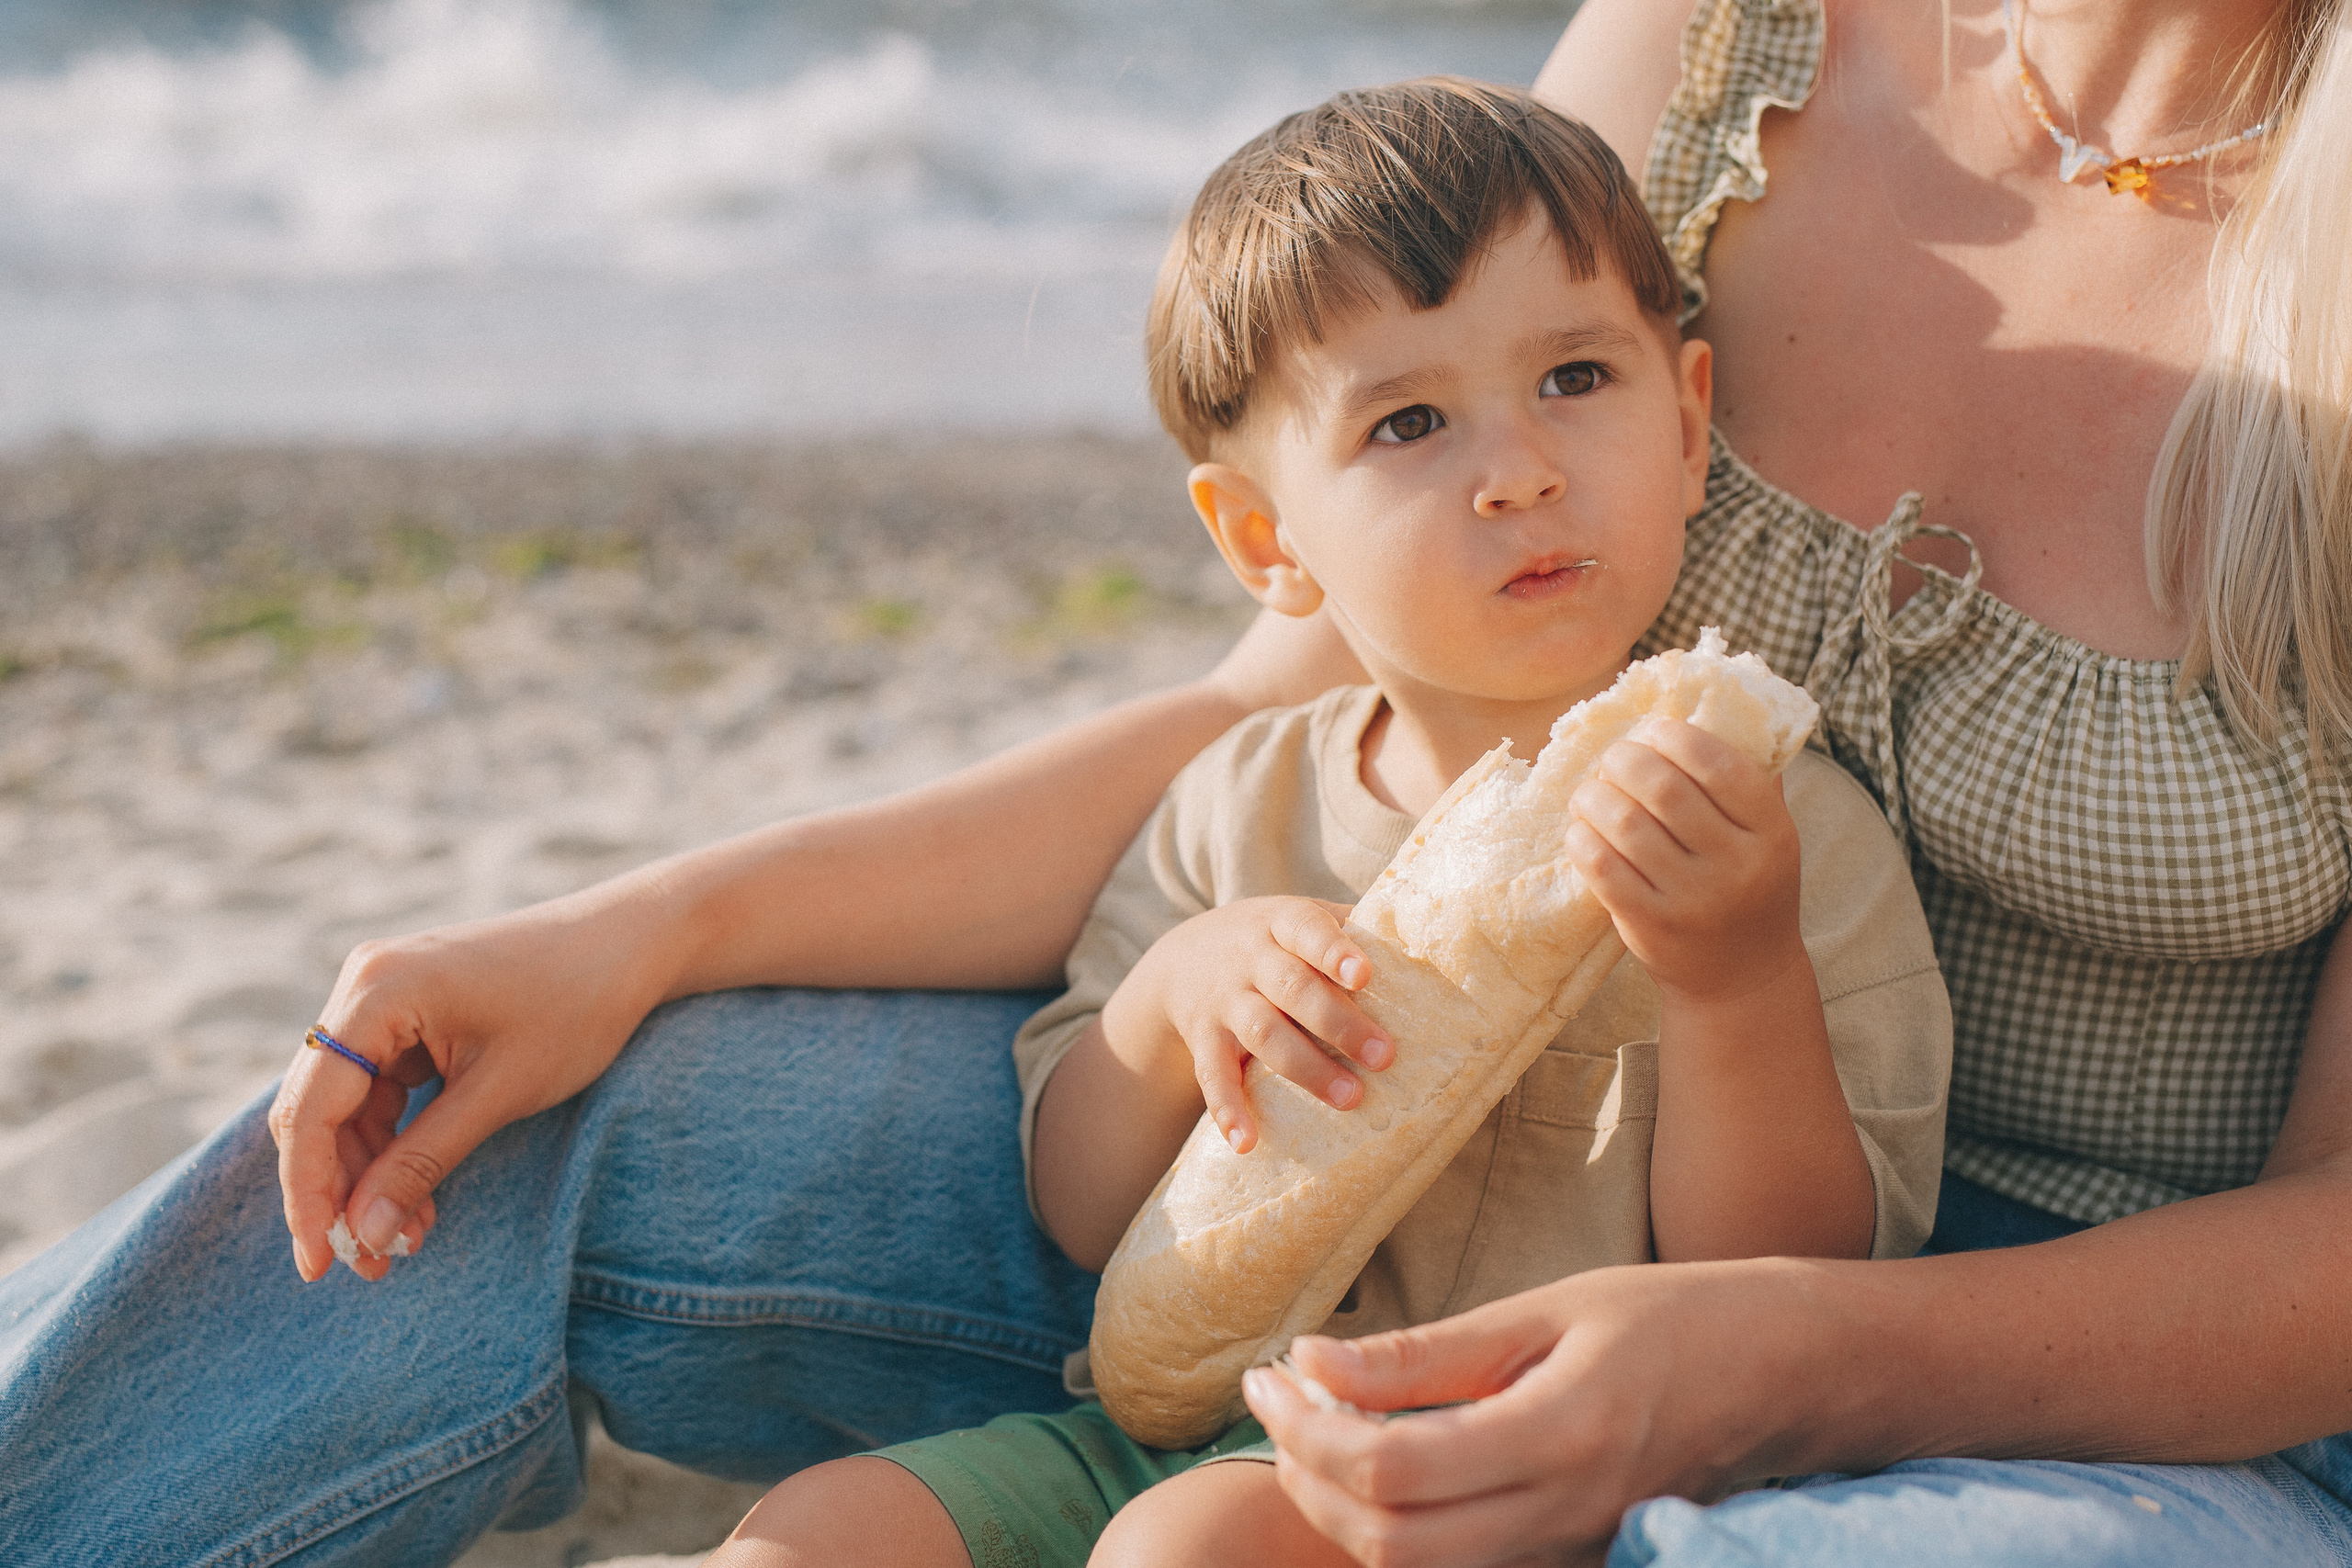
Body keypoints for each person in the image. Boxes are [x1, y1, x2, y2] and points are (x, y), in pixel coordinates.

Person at [0, 0, 2345, 1561]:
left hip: (2104, 1388)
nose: (1511, 467)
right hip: (1356, 1209)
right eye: (1447, 423)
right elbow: (1268, 716)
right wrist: (640, 929)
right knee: (501, 1109)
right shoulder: (1729, 41)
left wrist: (1779, 1357)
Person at [710, 80, 1949, 1568]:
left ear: (1689, 428)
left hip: (1533, 1484)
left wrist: (1733, 975)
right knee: (817, 1529)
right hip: (1171, 1431)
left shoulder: (1780, 834)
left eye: (1575, 378)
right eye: (1411, 421)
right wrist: (1180, 1001)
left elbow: (1797, 1276)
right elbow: (1085, 1211)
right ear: (1265, 540)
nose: (1522, 470)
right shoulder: (1238, 808)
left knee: (1187, 1549)